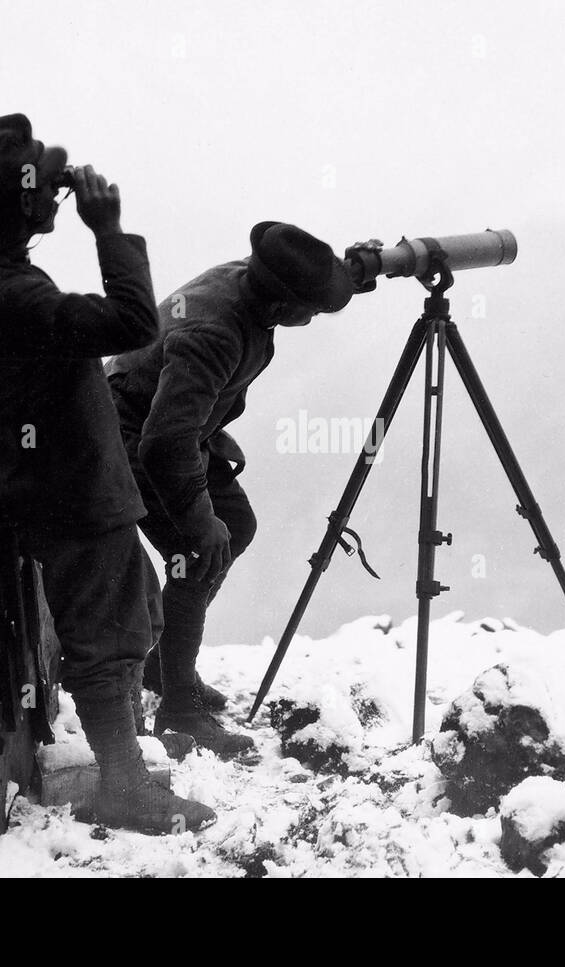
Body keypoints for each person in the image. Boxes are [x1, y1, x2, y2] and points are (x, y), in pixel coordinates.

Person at [0, 113, 212, 833]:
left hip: (68, 478)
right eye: (46, 187)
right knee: (105, 636)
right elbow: (132, 322)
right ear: (25, 200)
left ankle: (127, 766)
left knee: (134, 612)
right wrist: (107, 227)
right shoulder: (13, 292)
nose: (58, 195)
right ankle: (122, 785)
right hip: (70, 489)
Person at [107, 221, 354, 758]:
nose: (311, 318)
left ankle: (164, 663)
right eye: (309, 309)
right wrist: (197, 522)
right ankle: (179, 707)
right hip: (136, 432)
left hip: (176, 424)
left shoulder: (252, 279)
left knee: (235, 525)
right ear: (281, 305)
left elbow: (308, 283)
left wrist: (353, 274)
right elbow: (164, 443)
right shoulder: (214, 333)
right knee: (196, 551)